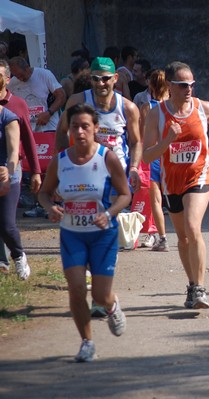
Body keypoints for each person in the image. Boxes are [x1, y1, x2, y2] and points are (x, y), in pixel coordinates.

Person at [38, 103, 130, 362]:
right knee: (77, 288)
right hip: (72, 234)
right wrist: (50, 207)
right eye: (74, 126)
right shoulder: (61, 160)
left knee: (100, 296)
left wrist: (109, 213)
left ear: (96, 129)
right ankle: (87, 342)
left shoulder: (107, 157)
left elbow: (125, 194)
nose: (79, 132)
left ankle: (112, 306)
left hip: (103, 235)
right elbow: (44, 193)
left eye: (85, 126)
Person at [143, 61, 209, 308]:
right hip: (172, 181)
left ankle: (201, 288)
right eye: (183, 85)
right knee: (183, 238)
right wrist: (168, 140)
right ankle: (192, 284)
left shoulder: (203, 107)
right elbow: (147, 156)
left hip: (200, 174)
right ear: (170, 86)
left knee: (193, 227)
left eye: (192, 84)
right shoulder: (156, 114)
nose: (189, 89)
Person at [55, 57, 141, 194]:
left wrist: (134, 168)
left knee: (110, 214)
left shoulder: (128, 108)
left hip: (116, 172)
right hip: (83, 172)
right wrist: (63, 165)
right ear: (90, 79)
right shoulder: (77, 101)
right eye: (95, 79)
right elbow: (61, 132)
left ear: (115, 78)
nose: (100, 83)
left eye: (106, 79)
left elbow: (136, 142)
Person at [8, 56, 66, 217]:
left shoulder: (43, 75)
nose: (20, 78)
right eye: (16, 75)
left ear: (27, 68)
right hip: (30, 130)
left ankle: (55, 202)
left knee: (51, 165)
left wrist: (49, 112)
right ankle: (38, 203)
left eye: (21, 75)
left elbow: (61, 95)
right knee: (35, 168)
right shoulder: (13, 83)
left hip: (49, 127)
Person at [0, 59, 39, 276]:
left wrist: (35, 172)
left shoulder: (16, 106)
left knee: (6, 223)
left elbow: (27, 141)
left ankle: (18, 256)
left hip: (10, 172)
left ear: (7, 80)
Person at [138, 69, 170, 251]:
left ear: (150, 85)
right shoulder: (173, 106)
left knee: (155, 200)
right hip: (171, 155)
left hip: (153, 156)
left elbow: (143, 135)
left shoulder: (147, 108)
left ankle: (162, 238)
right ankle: (188, 231)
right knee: (177, 197)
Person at [0, 91, 30, 279]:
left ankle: (18, 256)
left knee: (6, 225)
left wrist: (7, 174)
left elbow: (13, 153)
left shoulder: (8, 117)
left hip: (6, 174)